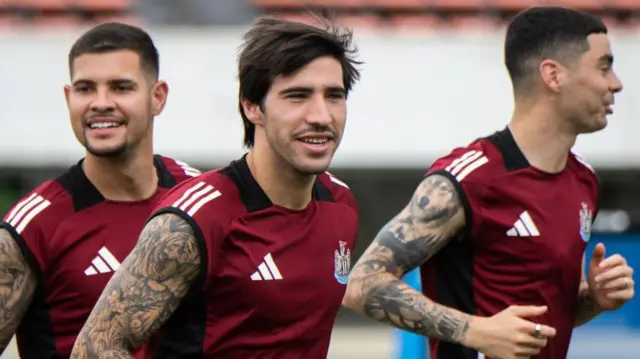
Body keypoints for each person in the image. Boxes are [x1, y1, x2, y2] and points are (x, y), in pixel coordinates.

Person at [343, 6, 634, 359]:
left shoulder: (584, 180)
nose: (615, 83)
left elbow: (535, 323)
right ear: (553, 75)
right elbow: (362, 285)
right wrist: (476, 332)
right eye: (604, 66)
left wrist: (593, 299)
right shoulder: (470, 179)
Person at [71, 15, 361, 359]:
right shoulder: (194, 220)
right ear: (252, 107)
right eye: (297, 96)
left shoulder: (340, 204)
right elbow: (96, 347)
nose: (321, 116)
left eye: (334, 96)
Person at [0, 22, 199, 358]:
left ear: (157, 97)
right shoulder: (34, 225)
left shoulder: (197, 197)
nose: (100, 103)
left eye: (121, 88)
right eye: (85, 89)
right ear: (69, 97)